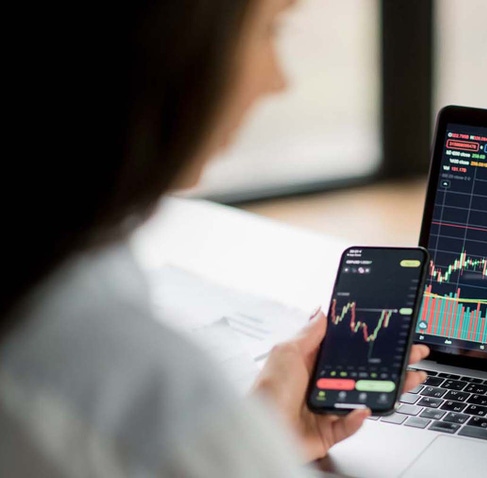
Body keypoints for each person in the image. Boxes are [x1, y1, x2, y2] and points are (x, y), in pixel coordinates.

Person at [0, 0, 429, 475]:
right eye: (271, 30)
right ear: (174, 51)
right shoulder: (154, 404)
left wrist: (263, 433)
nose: (278, 81)